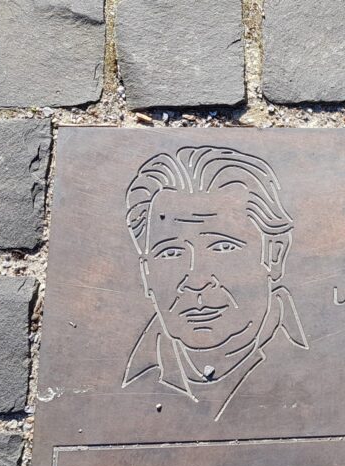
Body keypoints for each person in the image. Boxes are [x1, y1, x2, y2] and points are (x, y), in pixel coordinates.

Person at [121, 146, 308, 421]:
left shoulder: (328, 369)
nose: (196, 281)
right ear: (146, 272)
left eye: (222, 247)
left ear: (275, 254)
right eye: (171, 253)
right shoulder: (128, 388)